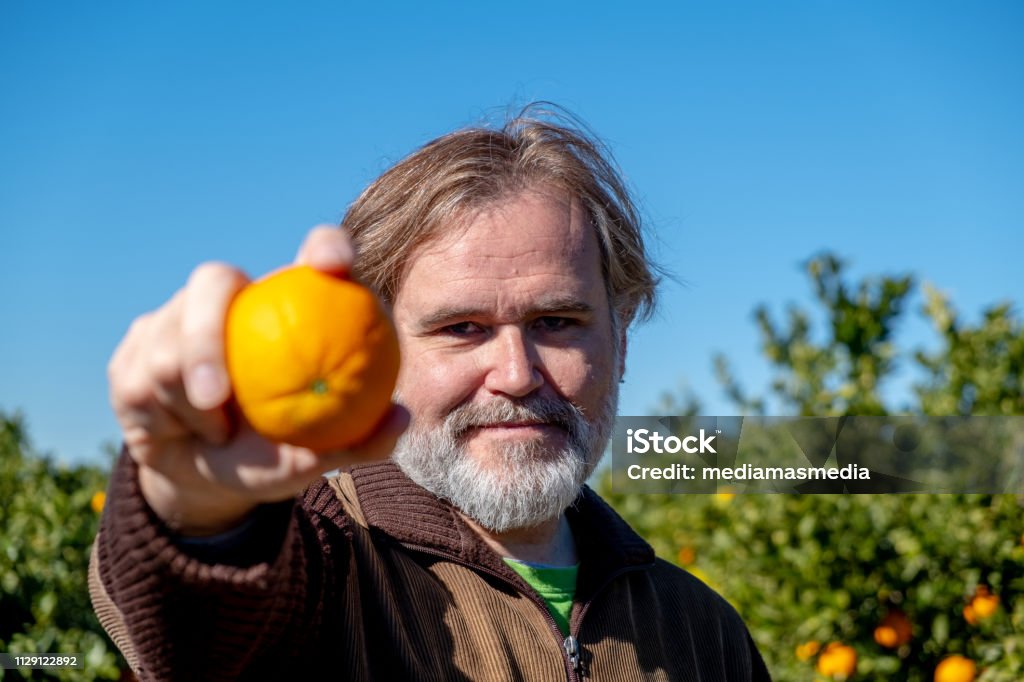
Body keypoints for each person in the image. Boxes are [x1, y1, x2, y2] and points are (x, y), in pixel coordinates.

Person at [90, 105, 771, 681]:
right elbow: (203, 635)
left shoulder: (701, 630)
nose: (516, 373)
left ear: (619, 342)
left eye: (557, 323)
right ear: (381, 351)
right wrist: (195, 514)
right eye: (461, 328)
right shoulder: (324, 562)